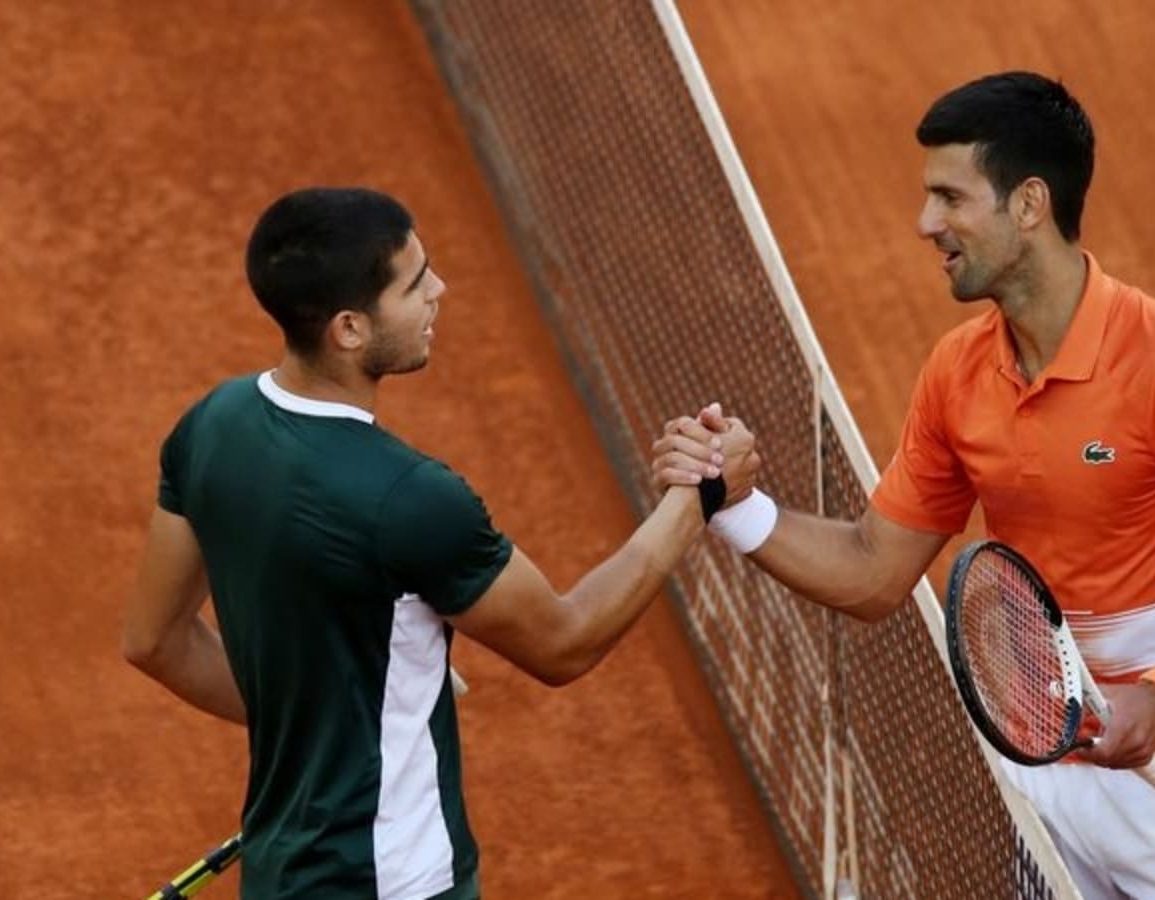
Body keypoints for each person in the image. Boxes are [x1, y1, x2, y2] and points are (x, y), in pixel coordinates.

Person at [653, 72, 1155, 900]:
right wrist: (733, 504)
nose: (925, 223)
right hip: (1050, 788)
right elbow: (872, 570)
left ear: (1029, 204)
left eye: (950, 197)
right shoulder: (957, 373)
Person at [121, 186, 758, 900]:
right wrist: (698, 494)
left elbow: (155, 641)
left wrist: (328, 723)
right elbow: (565, 641)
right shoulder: (410, 498)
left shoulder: (212, 425)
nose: (439, 292)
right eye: (415, 284)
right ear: (350, 329)